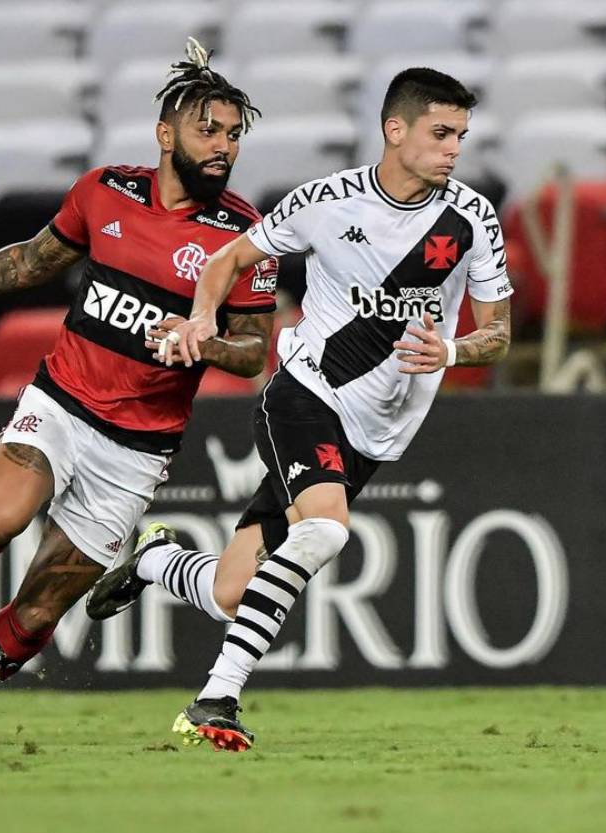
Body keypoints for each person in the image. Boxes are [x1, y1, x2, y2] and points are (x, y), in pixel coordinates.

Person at [0, 40, 278, 747]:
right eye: (210, 129)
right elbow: (29, 261)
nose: (224, 147)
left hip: (138, 447)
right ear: (165, 134)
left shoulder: (241, 234)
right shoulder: (105, 191)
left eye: (235, 134)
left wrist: (200, 337)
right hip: (61, 400)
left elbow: (255, 350)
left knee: (40, 611)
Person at [86, 67, 513, 752]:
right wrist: (200, 317)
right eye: (441, 133)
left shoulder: (473, 218)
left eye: (461, 135)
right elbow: (226, 260)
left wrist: (455, 352)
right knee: (326, 529)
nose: (453, 149)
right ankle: (214, 698)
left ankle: (153, 561)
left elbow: (499, 332)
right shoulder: (325, 200)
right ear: (394, 129)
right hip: (306, 393)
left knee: (230, 592)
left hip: (377, 433)